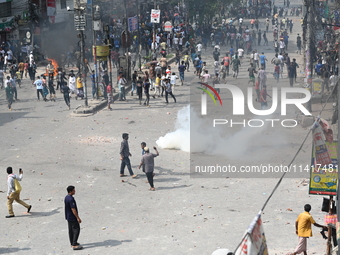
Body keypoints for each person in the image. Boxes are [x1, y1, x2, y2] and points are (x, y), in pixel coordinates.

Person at [64, 186, 83, 250]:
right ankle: (74, 244)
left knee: (71, 230)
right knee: (76, 229)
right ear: (71, 191)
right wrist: (78, 217)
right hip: (72, 217)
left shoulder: (66, 197)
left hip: (68, 216)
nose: (75, 191)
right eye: (74, 190)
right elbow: (73, 209)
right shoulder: (71, 199)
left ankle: (72, 242)